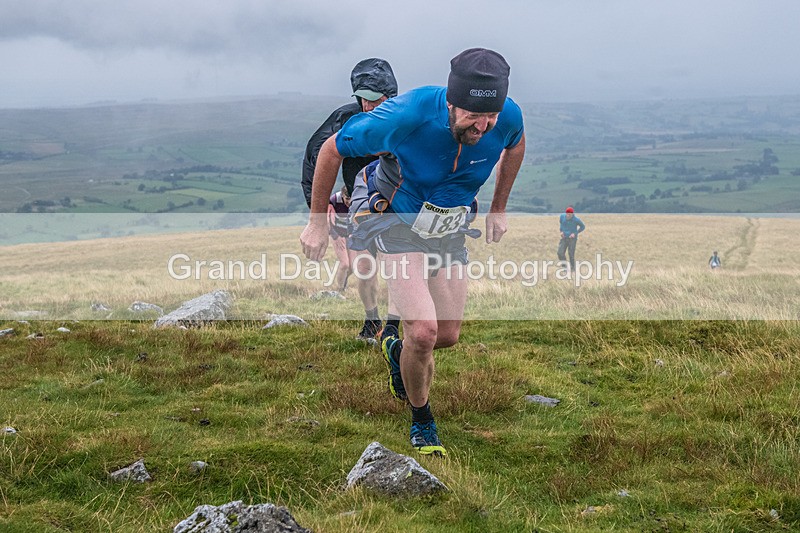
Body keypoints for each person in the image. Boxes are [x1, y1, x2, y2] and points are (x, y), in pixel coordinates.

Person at [300, 48, 525, 456]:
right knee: (423, 332)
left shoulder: (505, 117)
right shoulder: (405, 115)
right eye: (474, 117)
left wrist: (499, 207)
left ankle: (395, 349)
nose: (483, 127)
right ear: (451, 102)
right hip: (395, 219)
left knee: (448, 335)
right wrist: (317, 221)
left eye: (490, 117)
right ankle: (423, 422)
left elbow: (516, 142)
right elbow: (332, 149)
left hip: (448, 225)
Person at [301, 58, 399, 341]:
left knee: (398, 262)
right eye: (363, 100)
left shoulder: (406, 118)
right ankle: (372, 321)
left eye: (375, 100)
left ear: (390, 95)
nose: (368, 107)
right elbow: (314, 158)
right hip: (357, 199)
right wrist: (317, 212)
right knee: (364, 265)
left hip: (397, 197)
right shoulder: (345, 119)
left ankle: (393, 326)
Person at [557, 206, 585, 273]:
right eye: (567, 214)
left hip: (572, 239)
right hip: (564, 238)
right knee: (560, 253)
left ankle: (573, 270)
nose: (568, 215)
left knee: (571, 254)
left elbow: (583, 226)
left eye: (570, 214)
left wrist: (575, 233)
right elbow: (561, 223)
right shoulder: (562, 216)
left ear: (572, 214)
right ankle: (565, 268)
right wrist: (561, 231)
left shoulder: (576, 220)